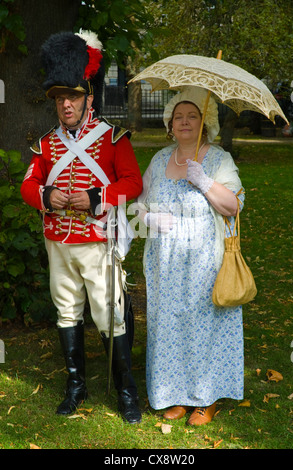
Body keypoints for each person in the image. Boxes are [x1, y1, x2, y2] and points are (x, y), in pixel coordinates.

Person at [20, 31, 143, 424]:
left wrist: (96, 198)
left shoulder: (112, 137)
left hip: (97, 242)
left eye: (71, 97)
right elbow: (28, 184)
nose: (65, 104)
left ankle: (126, 391)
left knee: (110, 314)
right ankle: (76, 386)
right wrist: (44, 196)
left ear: (88, 97)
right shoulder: (45, 144)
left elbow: (133, 182)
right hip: (58, 242)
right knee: (67, 312)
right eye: (59, 99)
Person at [134, 86, 245, 426]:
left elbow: (234, 205)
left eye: (192, 116)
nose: (184, 121)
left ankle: (206, 399)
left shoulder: (218, 159)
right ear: (169, 125)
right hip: (164, 261)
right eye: (178, 116)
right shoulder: (159, 159)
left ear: (204, 123)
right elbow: (138, 201)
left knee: (204, 326)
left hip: (204, 260)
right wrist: (148, 217)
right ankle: (177, 395)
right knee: (168, 325)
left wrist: (206, 182)